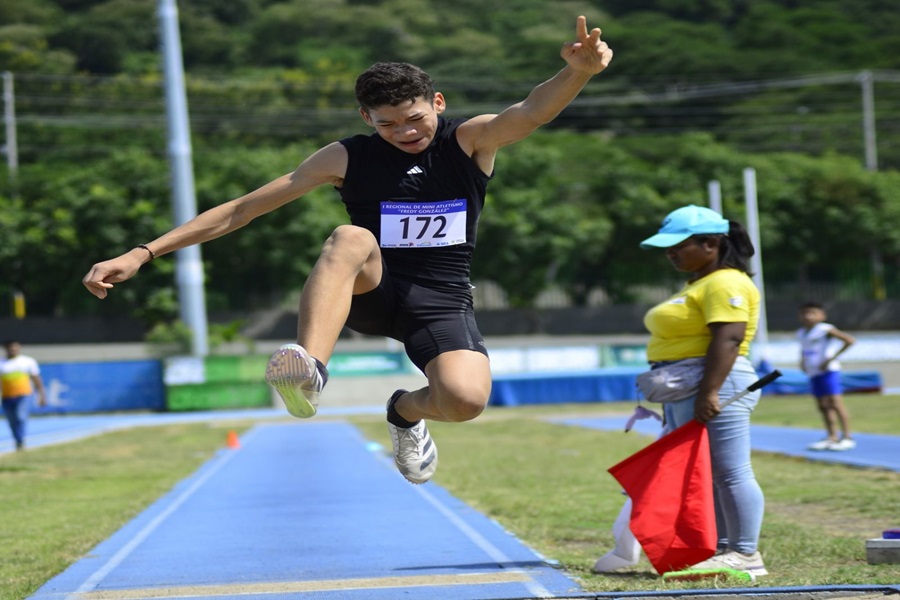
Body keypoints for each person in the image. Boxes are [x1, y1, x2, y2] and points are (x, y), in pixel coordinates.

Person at [82, 17, 613, 485]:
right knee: (352, 236)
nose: (404, 132)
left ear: (438, 103)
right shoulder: (344, 157)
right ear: (366, 118)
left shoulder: (470, 140)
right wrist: (143, 253)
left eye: (415, 118)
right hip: (370, 286)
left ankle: (404, 413)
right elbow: (241, 209)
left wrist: (579, 73)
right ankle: (310, 366)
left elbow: (531, 112)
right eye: (387, 123)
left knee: (465, 401)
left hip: (441, 299)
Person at [637, 204, 767, 578]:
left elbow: (728, 338)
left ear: (710, 243)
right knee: (708, 473)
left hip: (717, 382)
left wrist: (709, 392)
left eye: (678, 245)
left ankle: (745, 553)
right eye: (668, 247)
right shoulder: (699, 283)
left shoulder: (726, 281)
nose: (671, 253)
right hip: (693, 383)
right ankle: (724, 549)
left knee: (731, 470)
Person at [797, 302, 856, 451]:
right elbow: (804, 350)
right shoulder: (801, 333)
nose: (808, 316)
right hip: (814, 372)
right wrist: (803, 362)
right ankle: (832, 436)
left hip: (829, 371)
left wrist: (831, 359)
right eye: (805, 313)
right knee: (822, 405)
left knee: (835, 402)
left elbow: (849, 340)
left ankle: (847, 437)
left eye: (813, 313)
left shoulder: (825, 329)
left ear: (822, 315)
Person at [1, 340, 47, 451]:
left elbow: (36, 379)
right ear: (6, 349)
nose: (13, 350)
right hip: (7, 396)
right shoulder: (1, 363)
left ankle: (20, 440)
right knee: (12, 420)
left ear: (19, 348)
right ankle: (18, 439)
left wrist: (41, 395)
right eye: (10, 348)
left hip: (23, 395)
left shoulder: (27, 361)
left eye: (15, 347)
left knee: (20, 416)